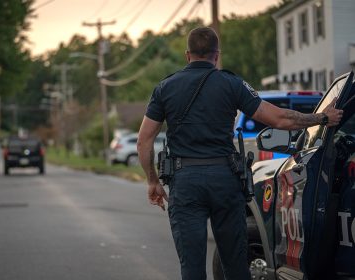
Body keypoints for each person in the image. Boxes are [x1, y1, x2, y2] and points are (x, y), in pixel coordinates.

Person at [136, 26, 343, 280]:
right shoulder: (232, 84)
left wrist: (152, 181)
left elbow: (144, 141)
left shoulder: (164, 88)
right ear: (216, 55)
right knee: (235, 265)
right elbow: (278, 118)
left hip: (185, 181)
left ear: (187, 55)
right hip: (225, 179)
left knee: (191, 266)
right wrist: (322, 117)